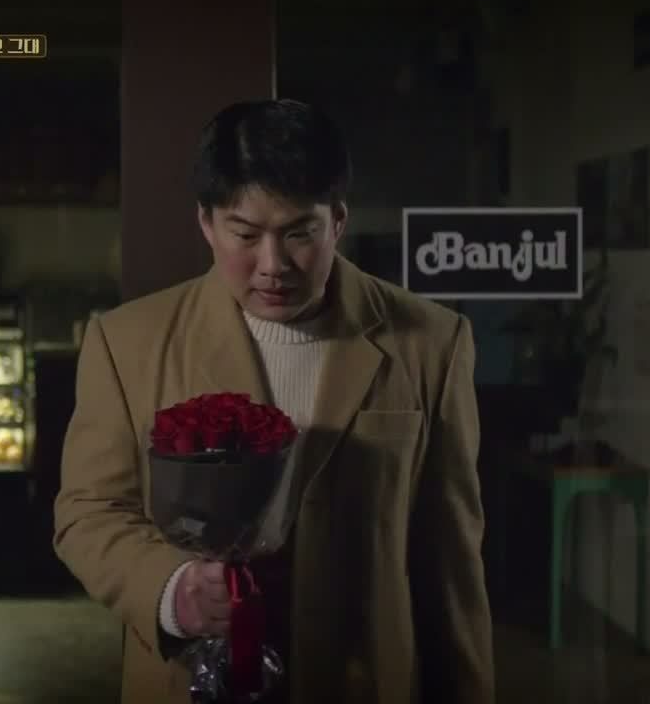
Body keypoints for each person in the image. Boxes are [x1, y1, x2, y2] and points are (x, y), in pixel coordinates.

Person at [53, 99, 494, 704]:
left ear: (337, 221)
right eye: (245, 235)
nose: (273, 265)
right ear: (207, 223)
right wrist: (173, 591)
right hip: (191, 684)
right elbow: (88, 511)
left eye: (299, 234)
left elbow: (451, 563)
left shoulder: (432, 343)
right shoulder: (126, 343)